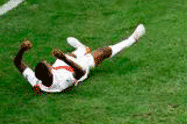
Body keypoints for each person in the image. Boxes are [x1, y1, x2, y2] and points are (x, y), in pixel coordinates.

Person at [13, 24, 145, 94]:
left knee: (73, 54)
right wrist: (63, 58)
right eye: (48, 65)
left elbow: (17, 63)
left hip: (63, 65)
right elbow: (80, 72)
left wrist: (22, 49)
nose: (48, 63)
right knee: (102, 52)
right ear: (49, 72)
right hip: (79, 67)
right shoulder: (61, 84)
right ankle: (132, 39)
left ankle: (82, 48)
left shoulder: (37, 80)